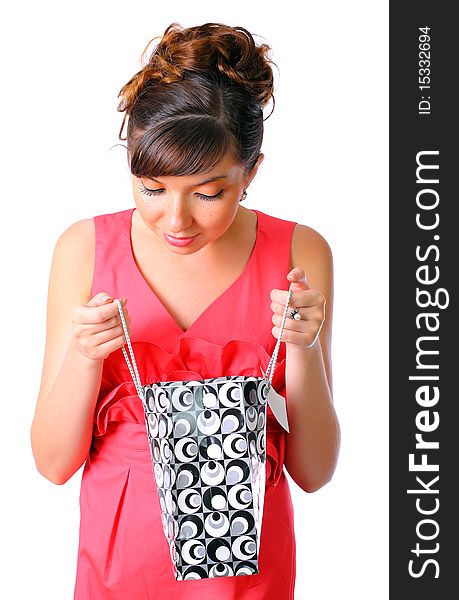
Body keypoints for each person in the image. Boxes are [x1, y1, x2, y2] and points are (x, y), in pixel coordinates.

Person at [30, 21, 340, 600]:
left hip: (250, 576)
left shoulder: (300, 252)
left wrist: (304, 349)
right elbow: (52, 463)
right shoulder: (83, 249)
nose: (175, 221)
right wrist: (82, 356)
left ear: (251, 173)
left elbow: (315, 472)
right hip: (117, 570)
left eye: (207, 193)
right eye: (151, 188)